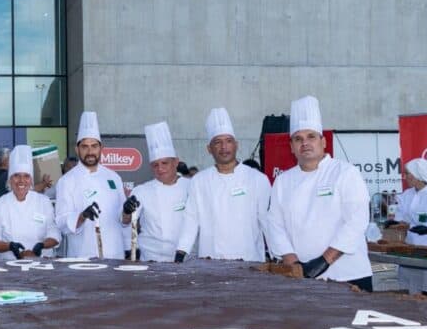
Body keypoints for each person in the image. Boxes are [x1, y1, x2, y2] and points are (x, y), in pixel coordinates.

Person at [266, 96, 373, 291]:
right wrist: (292, 262)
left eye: (311, 137)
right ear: (291, 147)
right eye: (298, 139)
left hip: (348, 275)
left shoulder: (345, 172)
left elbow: (357, 221)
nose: (304, 143)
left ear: (323, 141)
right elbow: (275, 225)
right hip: (301, 278)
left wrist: (324, 261)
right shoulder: (283, 181)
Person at [176, 108, 271, 263]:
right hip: (210, 263)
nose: (224, 147)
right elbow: (191, 219)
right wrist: (181, 251)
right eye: (217, 142)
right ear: (209, 149)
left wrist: (279, 256)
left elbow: (268, 221)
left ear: (236, 145)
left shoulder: (257, 179)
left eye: (228, 141)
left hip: (250, 263)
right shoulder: (199, 181)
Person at [56, 111, 127, 259]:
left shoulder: (114, 177)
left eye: (94, 146)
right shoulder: (67, 181)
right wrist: (82, 216)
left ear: (101, 148)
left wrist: (127, 211)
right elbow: (62, 223)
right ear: (77, 149)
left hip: (115, 254)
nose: (90, 152)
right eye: (85, 146)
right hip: (82, 257)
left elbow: (123, 220)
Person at [123, 121, 189, 262]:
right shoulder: (141, 190)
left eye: (164, 163)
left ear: (176, 162)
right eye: (155, 165)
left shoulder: (191, 187)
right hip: (150, 258)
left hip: (184, 259)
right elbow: (125, 222)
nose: (160, 168)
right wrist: (126, 212)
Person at [0, 145, 61, 259]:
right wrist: (10, 246)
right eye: (16, 175)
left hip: (42, 263)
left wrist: (42, 245)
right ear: (10, 179)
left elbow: (54, 233)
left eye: (26, 176)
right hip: (10, 265)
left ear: (31, 180)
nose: (21, 181)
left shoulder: (44, 202)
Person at [387, 158, 427, 294]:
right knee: (409, 294)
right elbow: (403, 222)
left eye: (408, 173)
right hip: (409, 253)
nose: (405, 177)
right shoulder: (407, 195)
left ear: (418, 175)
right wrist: (394, 224)